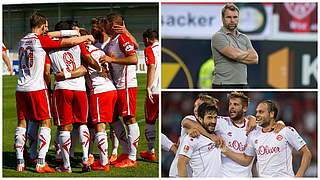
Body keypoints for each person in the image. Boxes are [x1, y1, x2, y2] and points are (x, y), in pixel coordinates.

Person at [15, 12, 94, 173]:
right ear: (43, 25)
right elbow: (72, 39)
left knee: (22, 123)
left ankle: (20, 162)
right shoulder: (42, 40)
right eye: (46, 27)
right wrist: (85, 37)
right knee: (46, 122)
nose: (48, 30)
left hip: (20, 87)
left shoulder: (22, 40)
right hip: (37, 88)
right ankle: (41, 162)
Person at [221, 100, 312, 177]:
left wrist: (299, 176)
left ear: (271, 114)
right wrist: (225, 150)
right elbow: (246, 160)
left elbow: (306, 153)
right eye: (256, 112)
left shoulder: (286, 131)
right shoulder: (253, 135)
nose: (257, 114)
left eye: (261, 112)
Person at [99, 12, 139, 168]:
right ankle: (125, 151)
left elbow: (134, 59)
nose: (104, 27)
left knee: (129, 118)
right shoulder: (113, 41)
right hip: (116, 85)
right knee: (114, 118)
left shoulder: (122, 39)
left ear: (113, 25)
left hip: (126, 84)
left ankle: (133, 157)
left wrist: (111, 59)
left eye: (107, 23)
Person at [169, 94, 221, 177]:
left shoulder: (212, 122)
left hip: (193, 173)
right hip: (178, 172)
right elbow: (186, 122)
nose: (196, 109)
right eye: (195, 106)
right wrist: (211, 136)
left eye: (199, 106)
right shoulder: (192, 119)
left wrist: (250, 118)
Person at [211, 3, 258, 89]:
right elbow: (234, 55)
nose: (232, 20)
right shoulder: (218, 36)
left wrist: (237, 55)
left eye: (235, 17)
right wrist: (247, 53)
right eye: (228, 17)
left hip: (243, 84)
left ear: (238, 18)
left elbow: (255, 59)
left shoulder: (244, 38)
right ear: (222, 19)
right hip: (223, 84)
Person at [139, 29, 160, 161]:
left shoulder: (149, 49)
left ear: (147, 39)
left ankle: (150, 151)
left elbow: (151, 66)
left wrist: (148, 86)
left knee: (150, 121)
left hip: (155, 91)